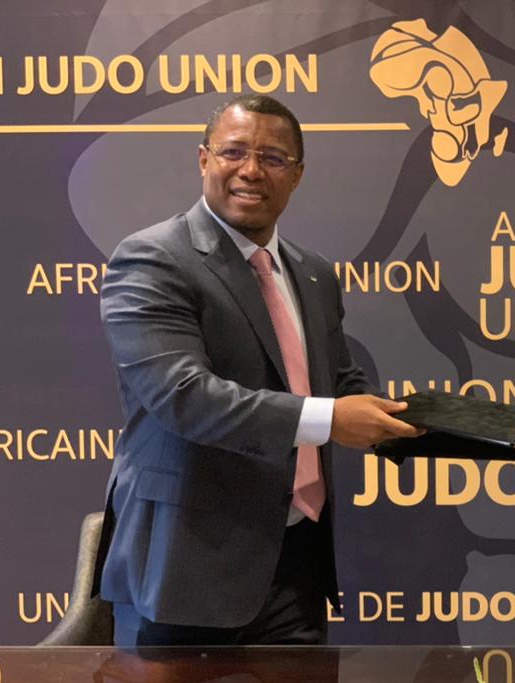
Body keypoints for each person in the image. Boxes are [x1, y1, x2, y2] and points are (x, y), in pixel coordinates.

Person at [95, 93, 420, 646]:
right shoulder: (152, 259)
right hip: (186, 571)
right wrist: (331, 419)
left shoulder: (313, 273)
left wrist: (440, 424)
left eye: (272, 158)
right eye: (233, 152)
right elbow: (184, 397)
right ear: (204, 159)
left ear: (297, 175)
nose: (251, 170)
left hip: (297, 567)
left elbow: (336, 381)